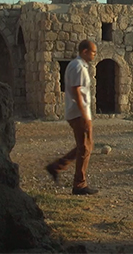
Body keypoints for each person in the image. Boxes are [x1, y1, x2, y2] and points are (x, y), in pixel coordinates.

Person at [46, 40, 98, 195]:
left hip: (77, 112)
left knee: (85, 147)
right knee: (85, 148)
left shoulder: (75, 65)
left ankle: (57, 166)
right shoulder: (78, 67)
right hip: (79, 113)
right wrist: (84, 114)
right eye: (93, 52)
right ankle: (79, 184)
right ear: (84, 51)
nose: (94, 54)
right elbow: (76, 90)